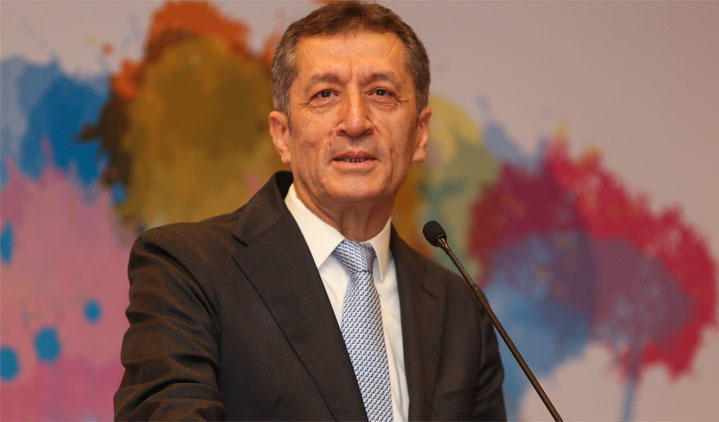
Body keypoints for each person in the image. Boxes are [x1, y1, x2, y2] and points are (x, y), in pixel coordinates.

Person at [114, 1, 506, 420]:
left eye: (380, 93)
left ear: (420, 134)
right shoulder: (188, 268)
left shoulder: (461, 310)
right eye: (325, 94)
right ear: (282, 135)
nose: (355, 122)